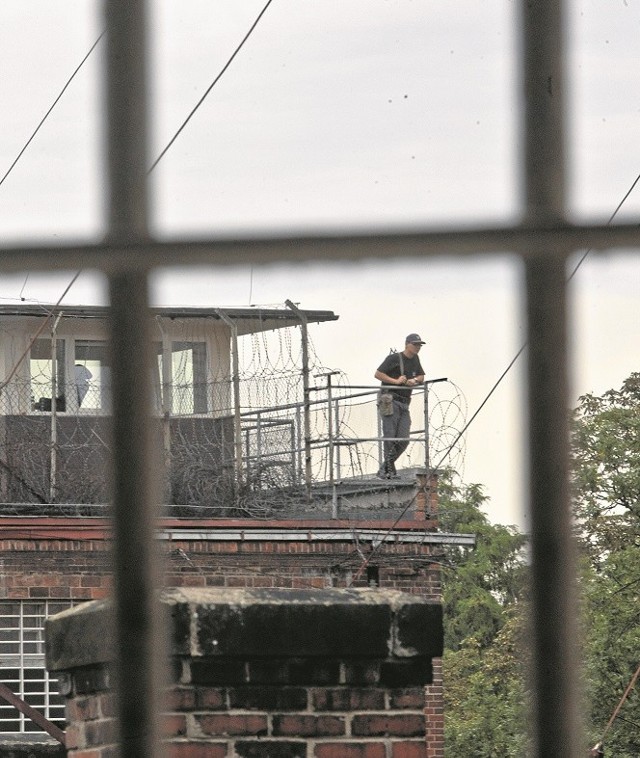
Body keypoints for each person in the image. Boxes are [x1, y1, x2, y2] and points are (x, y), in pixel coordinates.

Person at [374, 333, 425, 478]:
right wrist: (396, 381)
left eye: (419, 345)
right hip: (390, 399)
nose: (418, 347)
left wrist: (413, 381)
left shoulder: (415, 359)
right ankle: (388, 470)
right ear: (407, 344)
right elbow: (378, 374)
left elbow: (421, 376)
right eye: (415, 344)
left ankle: (385, 467)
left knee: (403, 438)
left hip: (404, 403)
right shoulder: (394, 358)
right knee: (390, 435)